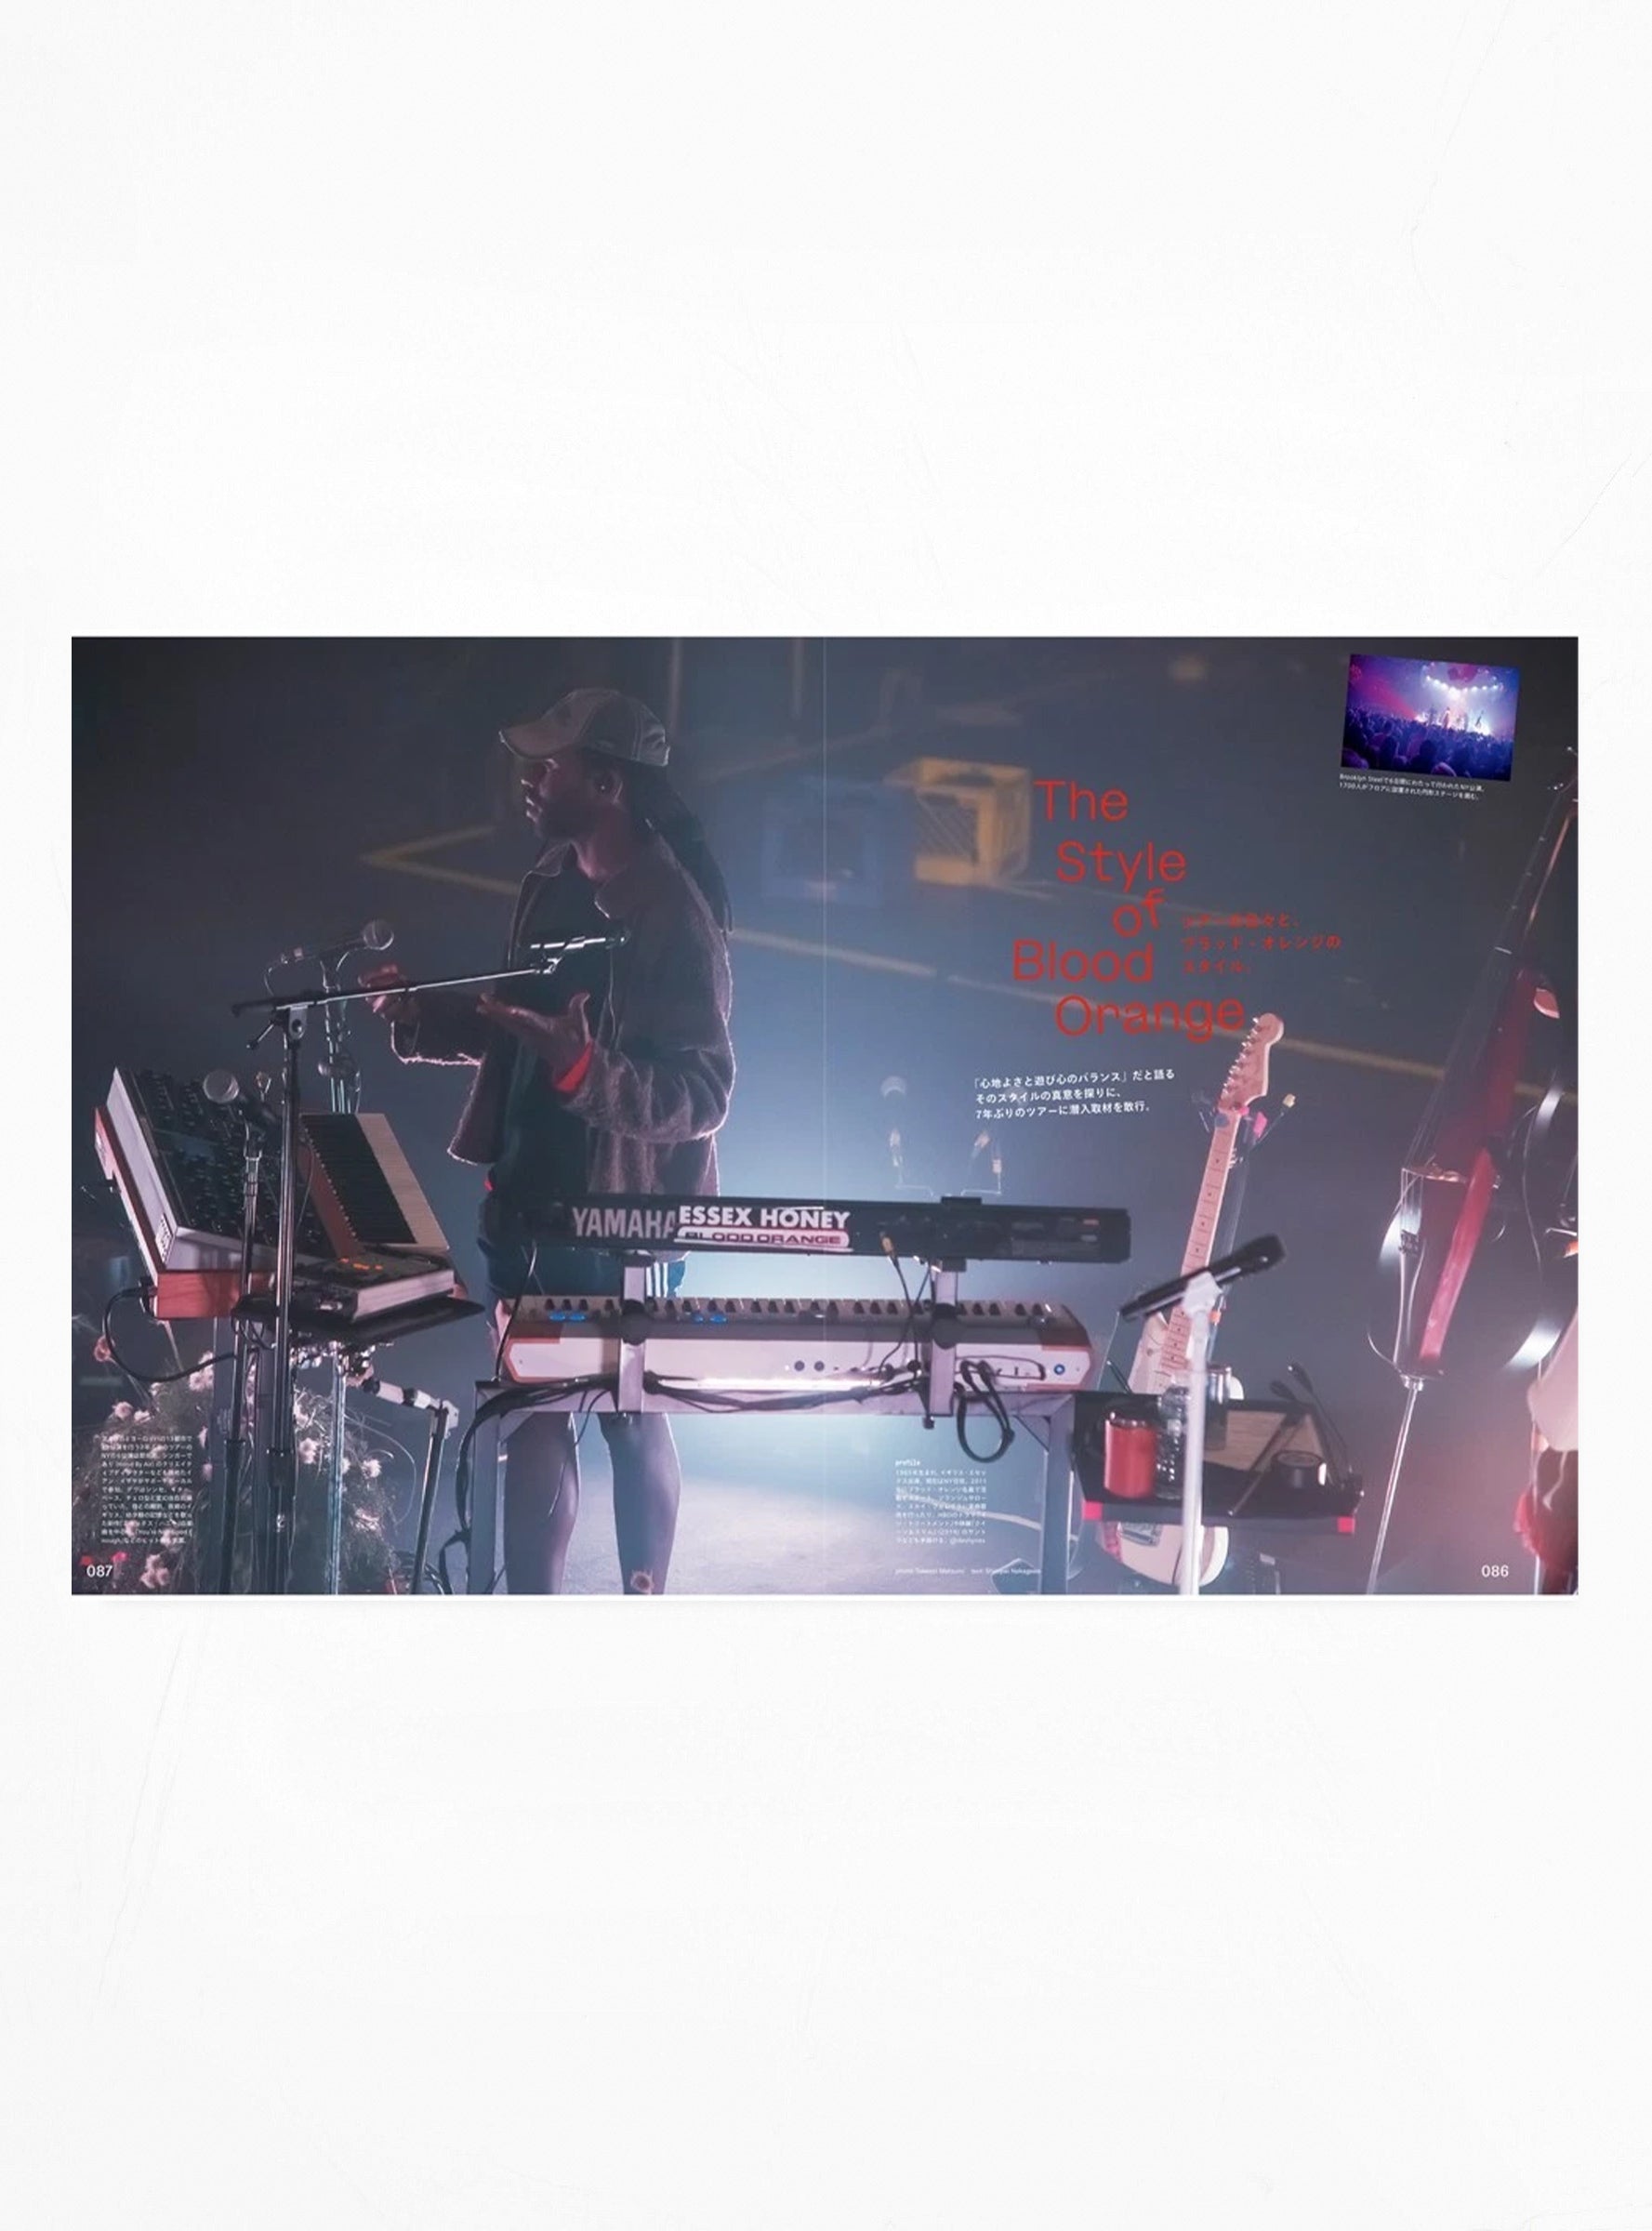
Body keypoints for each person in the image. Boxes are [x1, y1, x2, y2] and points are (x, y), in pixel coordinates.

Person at [365, 689, 734, 1594]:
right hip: (524, 1201)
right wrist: (422, 1017)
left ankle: (643, 1609)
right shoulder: (551, 879)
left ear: (607, 783)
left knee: (631, 1414)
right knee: (534, 1408)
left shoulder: (672, 913)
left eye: (549, 766)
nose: (528, 781)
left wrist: (583, 1071)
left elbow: (701, 1094)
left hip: (621, 1225)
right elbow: (520, 1025)